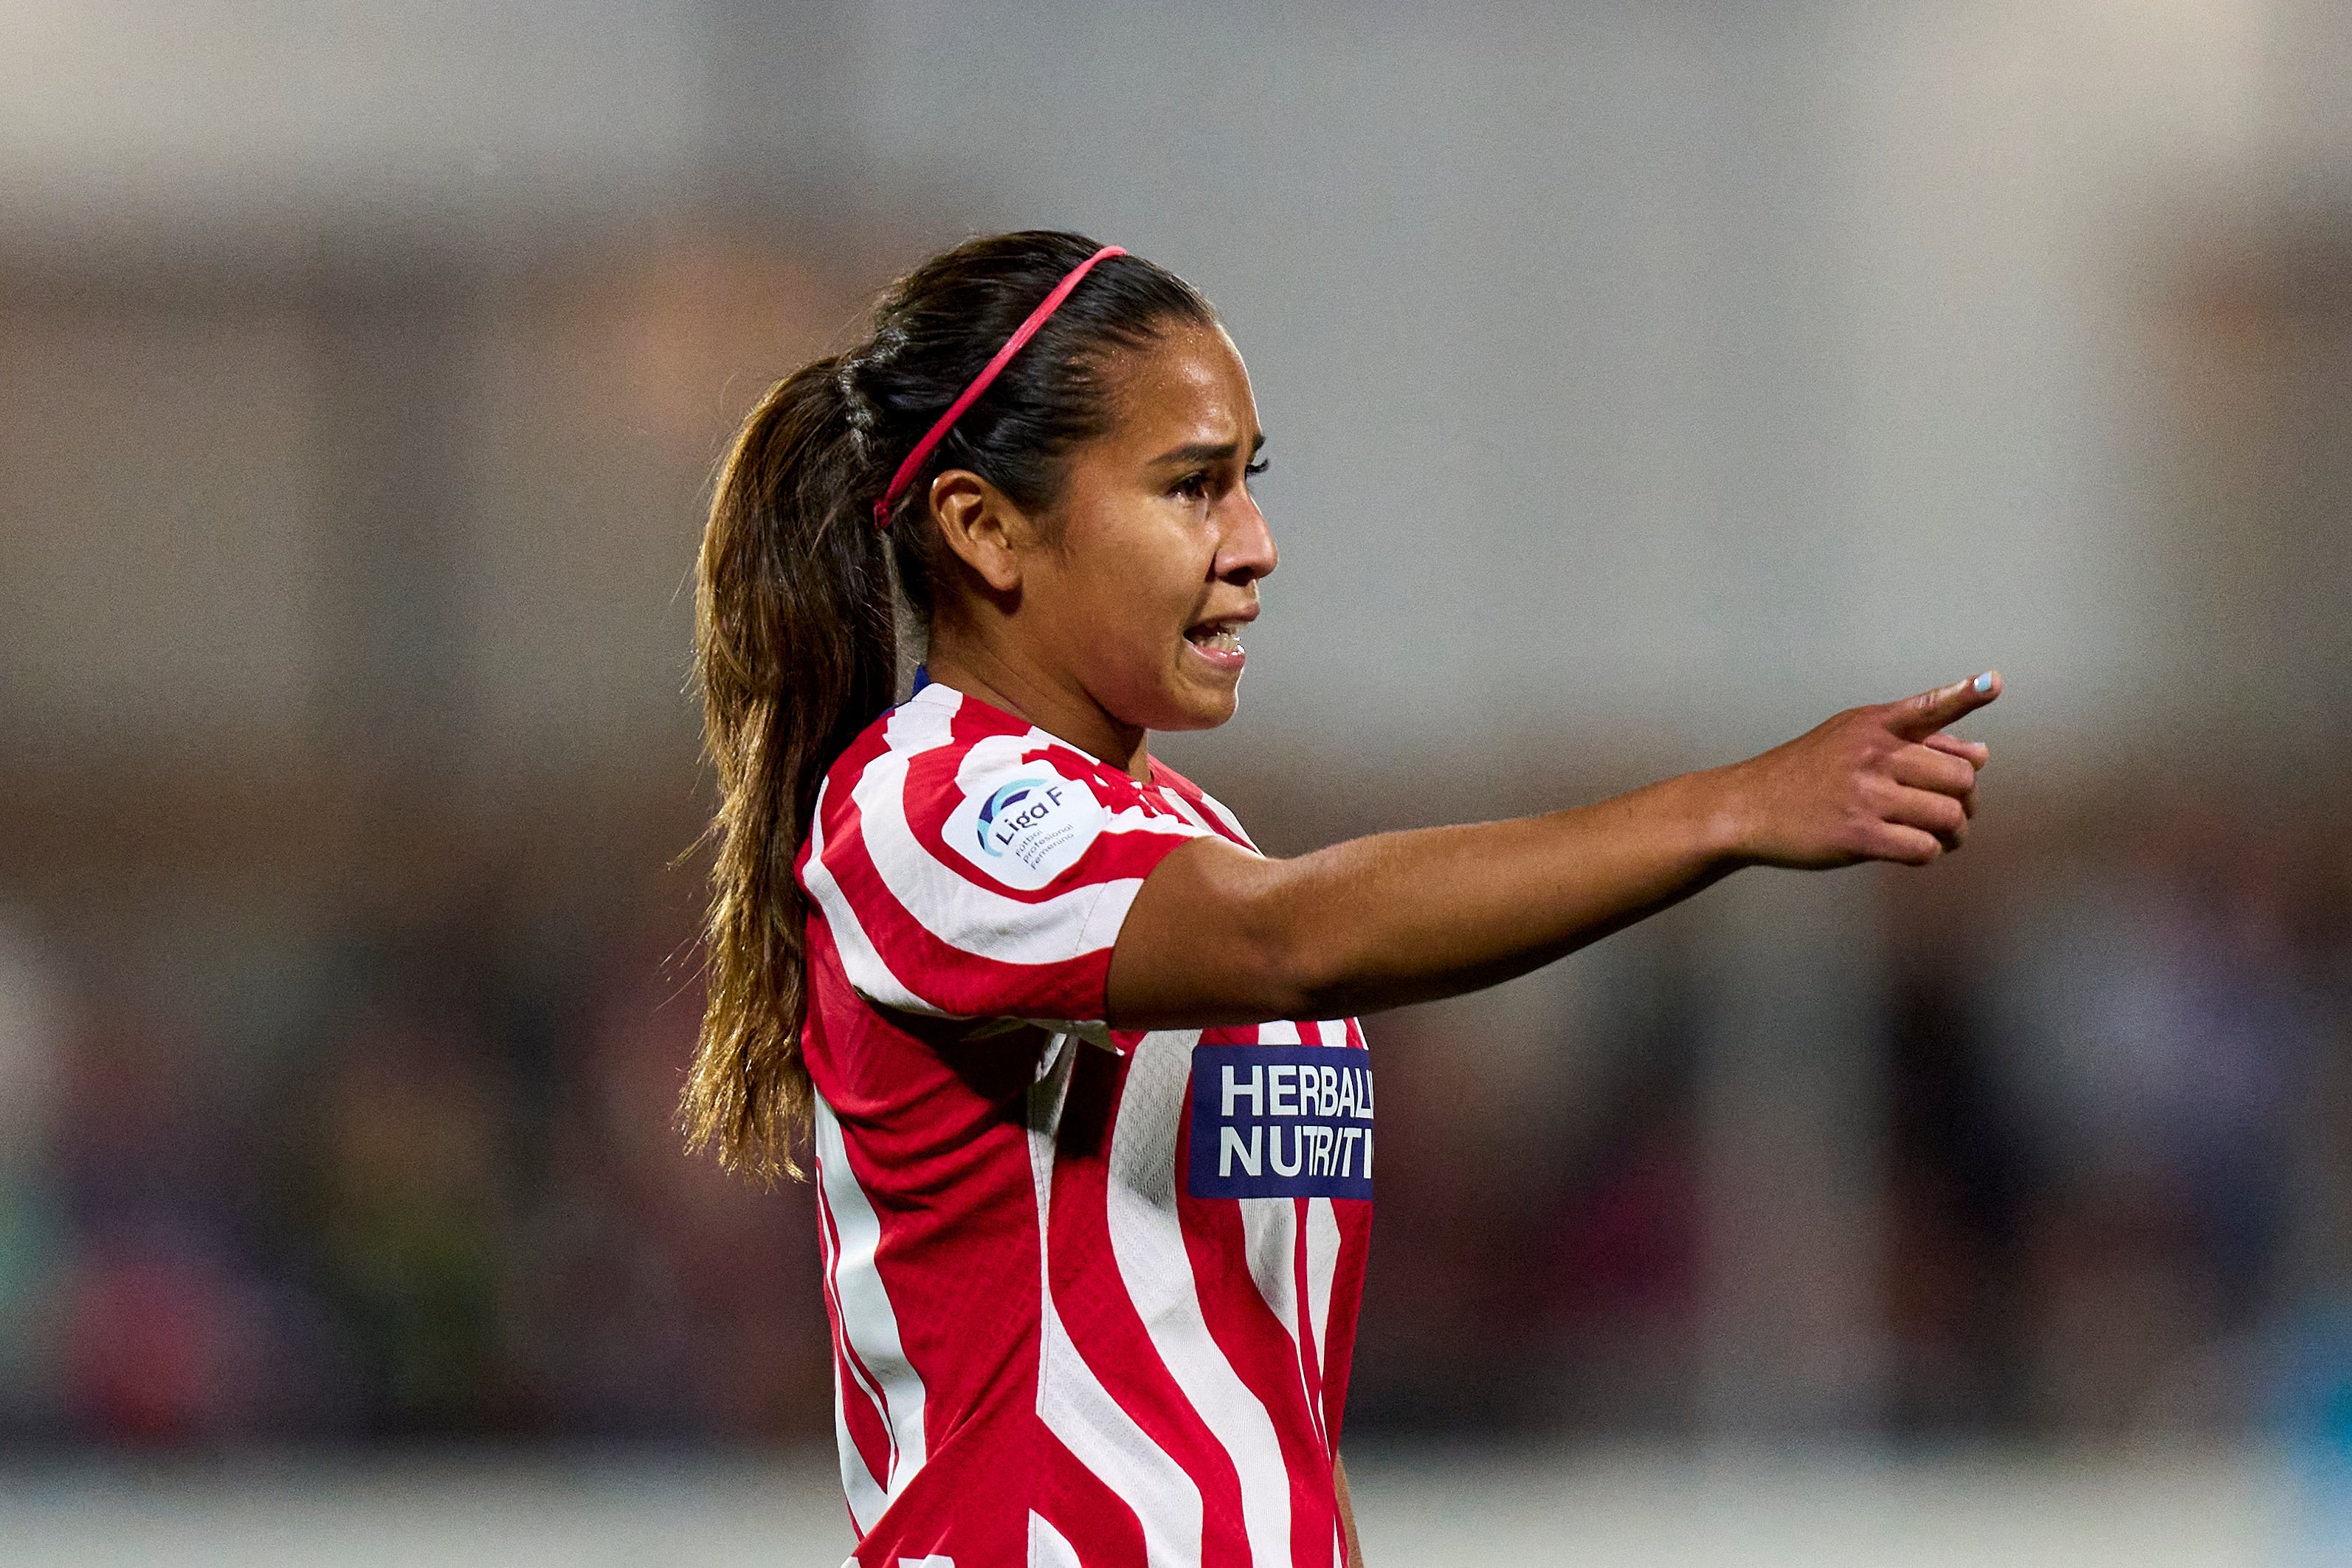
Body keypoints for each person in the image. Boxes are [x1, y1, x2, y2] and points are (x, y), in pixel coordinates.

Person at [680, 230, 1998, 1567]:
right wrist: (1727, 810)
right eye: (1191, 488)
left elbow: (1265, 1381)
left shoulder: (1190, 831)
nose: (1255, 545)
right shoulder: (926, 808)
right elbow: (1291, 937)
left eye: (1248, 481)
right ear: (984, 529)